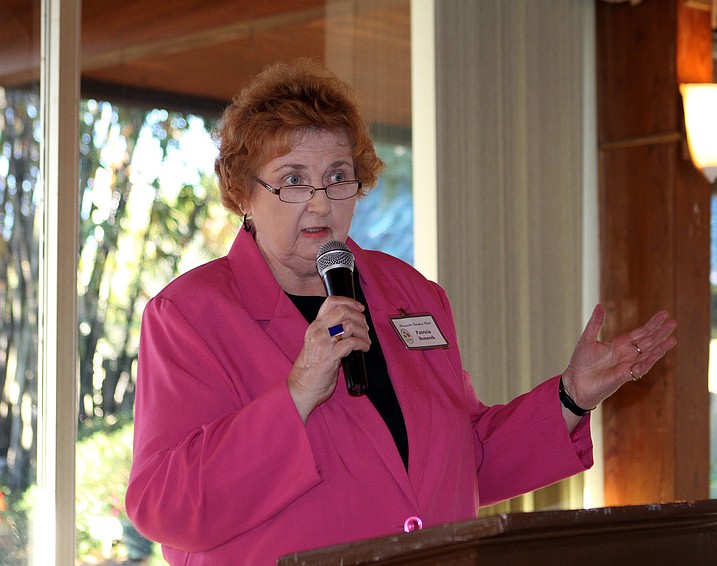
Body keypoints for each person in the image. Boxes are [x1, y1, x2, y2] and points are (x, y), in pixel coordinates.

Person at [125, 59, 677, 564]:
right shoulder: (190, 317)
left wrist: (570, 397)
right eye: (294, 180)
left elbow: (466, 460)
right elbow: (165, 508)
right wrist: (295, 395)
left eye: (339, 177)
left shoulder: (411, 294)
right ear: (243, 192)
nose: (321, 203)